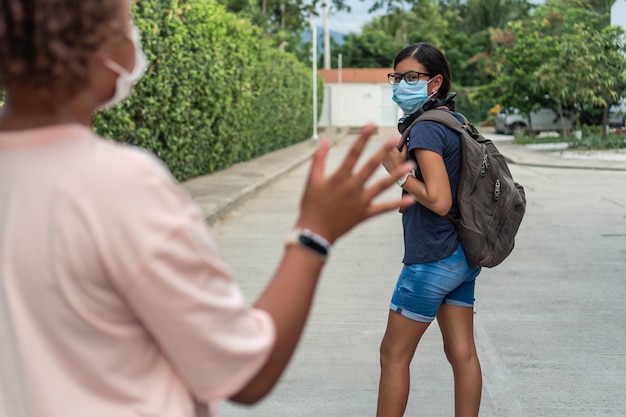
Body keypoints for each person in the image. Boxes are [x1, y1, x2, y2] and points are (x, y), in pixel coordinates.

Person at [0, 1, 416, 416]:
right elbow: (247, 374)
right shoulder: (115, 185)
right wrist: (314, 233)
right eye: (127, 24)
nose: (134, 39)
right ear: (98, 43)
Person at [379, 43, 483, 417]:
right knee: (462, 353)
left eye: (411, 77)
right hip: (462, 255)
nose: (400, 85)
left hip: (431, 259)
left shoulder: (424, 130)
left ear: (435, 82)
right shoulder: (454, 120)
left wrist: (399, 173)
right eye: (396, 77)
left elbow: (438, 200)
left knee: (393, 355)